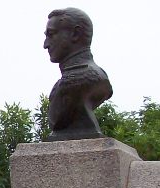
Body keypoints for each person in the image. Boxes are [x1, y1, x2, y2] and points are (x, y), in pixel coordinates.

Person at [43, 8, 112, 140]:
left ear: (75, 34)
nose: (45, 45)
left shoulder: (79, 81)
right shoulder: (73, 80)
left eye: (51, 34)